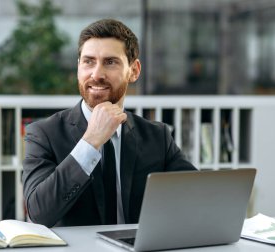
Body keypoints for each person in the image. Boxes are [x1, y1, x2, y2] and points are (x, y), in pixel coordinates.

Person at [22, 18, 196, 228]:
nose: (97, 74)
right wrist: (90, 142)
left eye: (110, 62)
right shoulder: (43, 134)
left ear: (134, 71)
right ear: (78, 68)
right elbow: (39, 213)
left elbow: (197, 195)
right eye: (88, 61)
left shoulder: (157, 136)